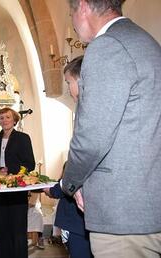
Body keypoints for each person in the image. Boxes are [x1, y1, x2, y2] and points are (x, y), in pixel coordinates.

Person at [62, 0, 161, 257]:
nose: (72, 22)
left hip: (122, 215)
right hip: (149, 204)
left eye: (71, 12)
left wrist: (70, 182)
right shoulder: (146, 43)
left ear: (82, 6)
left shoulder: (107, 47)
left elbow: (91, 137)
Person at [44, 56, 93, 258]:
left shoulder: (89, 111)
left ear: (80, 80)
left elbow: (82, 161)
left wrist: (56, 188)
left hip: (79, 217)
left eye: (68, 83)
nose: (68, 89)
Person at [0, 107, 35, 258]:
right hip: (1, 186)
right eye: (1, 118)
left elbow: (30, 164)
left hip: (16, 186)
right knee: (1, 225)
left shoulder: (23, 138)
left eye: (8, 117)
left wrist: (11, 170)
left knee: (17, 225)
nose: (4, 120)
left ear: (14, 120)